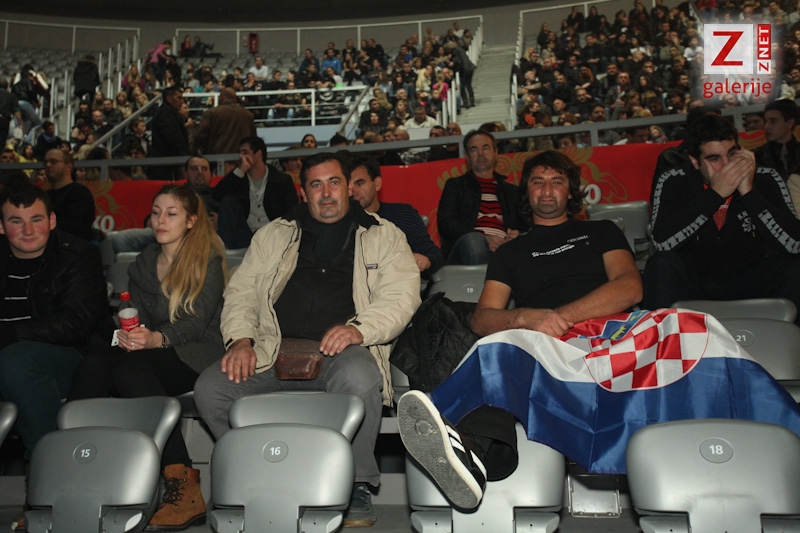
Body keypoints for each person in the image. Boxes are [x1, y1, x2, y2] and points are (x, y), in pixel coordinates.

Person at [397, 150, 642, 508]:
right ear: (525, 193)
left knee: (690, 324)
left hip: (611, 336)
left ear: (571, 190)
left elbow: (630, 287)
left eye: (556, 181)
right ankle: (470, 456)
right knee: (489, 345)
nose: (547, 190)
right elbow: (483, 318)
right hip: (544, 348)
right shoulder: (510, 252)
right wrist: (526, 318)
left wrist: (559, 316)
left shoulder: (601, 231)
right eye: (537, 182)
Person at [193, 151, 421, 528]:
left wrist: (358, 329)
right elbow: (241, 292)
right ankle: (256, 469)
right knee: (211, 388)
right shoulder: (274, 234)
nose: (326, 192)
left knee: (362, 378)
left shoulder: (384, 235)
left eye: (334, 183)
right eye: (316, 185)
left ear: (348, 188)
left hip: (342, 352)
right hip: (270, 350)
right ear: (304, 192)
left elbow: (401, 297)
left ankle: (356, 483)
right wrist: (241, 340)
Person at [68, 185, 227, 531]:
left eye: (171, 213)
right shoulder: (144, 261)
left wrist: (156, 338)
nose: (160, 220)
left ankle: (183, 485)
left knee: (130, 369)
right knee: (96, 361)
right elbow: (135, 316)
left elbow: (197, 323)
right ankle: (71, 470)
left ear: (191, 220)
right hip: (153, 349)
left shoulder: (208, 259)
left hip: (199, 350)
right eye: (156, 212)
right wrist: (131, 334)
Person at [643, 114, 800, 320]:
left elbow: (794, 244)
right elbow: (662, 243)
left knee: (793, 266)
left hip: (751, 274)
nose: (727, 165)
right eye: (714, 158)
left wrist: (749, 193)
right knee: (662, 264)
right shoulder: (673, 180)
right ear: (695, 161)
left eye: (732, 153)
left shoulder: (765, 177)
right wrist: (715, 194)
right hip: (697, 279)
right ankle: (657, 338)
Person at [0, 183, 113, 463]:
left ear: (51, 220)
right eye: (16, 221)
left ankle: (49, 461)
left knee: (16, 360)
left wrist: (9, 334)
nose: (28, 230)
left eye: (36, 219)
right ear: (1, 226)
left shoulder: (78, 255)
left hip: (76, 358)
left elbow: (75, 325)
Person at [437, 130, 524, 264]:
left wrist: (516, 235)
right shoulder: (456, 186)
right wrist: (484, 238)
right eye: (474, 150)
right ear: (468, 157)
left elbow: (525, 226)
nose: (480, 154)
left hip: (505, 247)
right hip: (465, 248)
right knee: (474, 241)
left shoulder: (512, 191)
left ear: (496, 153)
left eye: (486, 148)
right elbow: (446, 224)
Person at [349, 155, 444, 277]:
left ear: (377, 183)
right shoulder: (339, 221)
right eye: (348, 186)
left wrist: (425, 261)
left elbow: (434, 255)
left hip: (400, 284)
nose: (353, 192)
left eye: (360, 184)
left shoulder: (404, 213)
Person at [212, 136, 298, 249]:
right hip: (244, 236)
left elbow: (291, 211)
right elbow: (217, 195)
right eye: (240, 153)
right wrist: (241, 170)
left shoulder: (282, 180)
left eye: (245, 152)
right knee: (229, 200)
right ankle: (227, 251)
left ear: (258, 154)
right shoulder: (238, 178)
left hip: (273, 235)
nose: (241, 156)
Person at [43, 149, 96, 243]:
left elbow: (73, 227)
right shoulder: (45, 196)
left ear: (68, 166)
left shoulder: (80, 193)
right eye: (45, 162)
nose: (48, 165)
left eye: (53, 161)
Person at [195, 87, 257, 156]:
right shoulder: (247, 114)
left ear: (222, 98)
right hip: (241, 157)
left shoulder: (211, 113)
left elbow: (202, 136)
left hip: (216, 157)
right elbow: (253, 138)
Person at [150, 86, 189, 181]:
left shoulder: (168, 113)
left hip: (169, 161)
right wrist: (181, 157)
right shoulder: (165, 114)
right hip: (167, 162)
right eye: (179, 98)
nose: (182, 101)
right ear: (169, 98)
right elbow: (171, 138)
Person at [754, 99, 800, 180]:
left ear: (790, 123)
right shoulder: (757, 156)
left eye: (773, 121)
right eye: (766, 121)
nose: (767, 127)